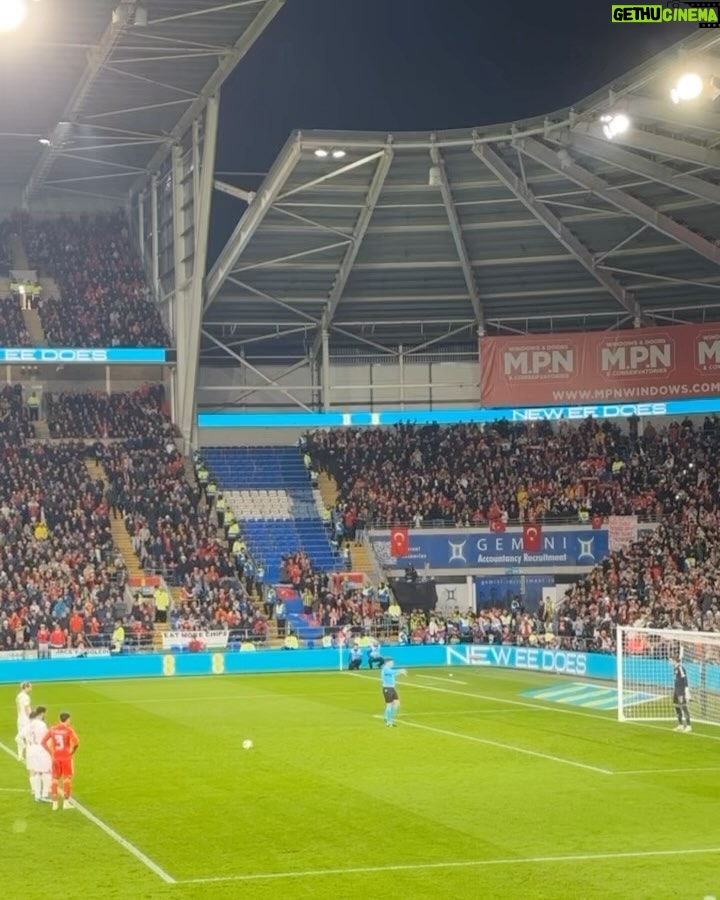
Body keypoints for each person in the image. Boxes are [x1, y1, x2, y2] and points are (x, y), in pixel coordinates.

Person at [42, 711, 80, 811]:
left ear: (60, 719)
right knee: (67, 779)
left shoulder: (53, 729)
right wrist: (71, 752)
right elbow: (76, 742)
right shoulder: (68, 730)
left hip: (56, 757)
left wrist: (51, 752)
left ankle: (54, 804)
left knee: (54, 779)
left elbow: (43, 742)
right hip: (66, 757)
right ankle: (65, 803)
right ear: (67, 719)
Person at [21, 707, 51, 802]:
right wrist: (50, 750)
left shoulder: (28, 725)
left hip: (31, 749)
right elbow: (45, 739)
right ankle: (45, 794)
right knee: (46, 771)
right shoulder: (41, 725)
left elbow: (19, 737)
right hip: (41, 749)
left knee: (36, 771)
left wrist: (25, 746)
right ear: (41, 714)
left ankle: (37, 796)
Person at [380, 658, 407, 728]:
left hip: (392, 688)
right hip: (387, 688)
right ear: (387, 663)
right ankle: (389, 722)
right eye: (391, 663)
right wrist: (400, 670)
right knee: (389, 705)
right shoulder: (385, 668)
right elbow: (391, 672)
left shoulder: (388, 670)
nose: (393, 664)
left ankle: (387, 718)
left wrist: (400, 673)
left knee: (397, 703)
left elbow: (392, 674)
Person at [671, 656, 692, 733]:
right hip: (676, 690)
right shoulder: (675, 668)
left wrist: (686, 689)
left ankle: (689, 726)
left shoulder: (680, 668)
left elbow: (684, 678)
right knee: (676, 706)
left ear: (674, 660)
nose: (670, 662)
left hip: (681, 690)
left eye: (671, 661)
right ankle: (680, 725)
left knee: (683, 707)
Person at [15, 681, 32, 762]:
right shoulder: (26, 697)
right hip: (26, 719)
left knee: (20, 736)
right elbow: (26, 708)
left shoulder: (18, 696)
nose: (31, 688)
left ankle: (20, 755)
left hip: (19, 718)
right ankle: (27, 751)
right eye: (30, 687)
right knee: (27, 737)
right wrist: (31, 717)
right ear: (26, 687)